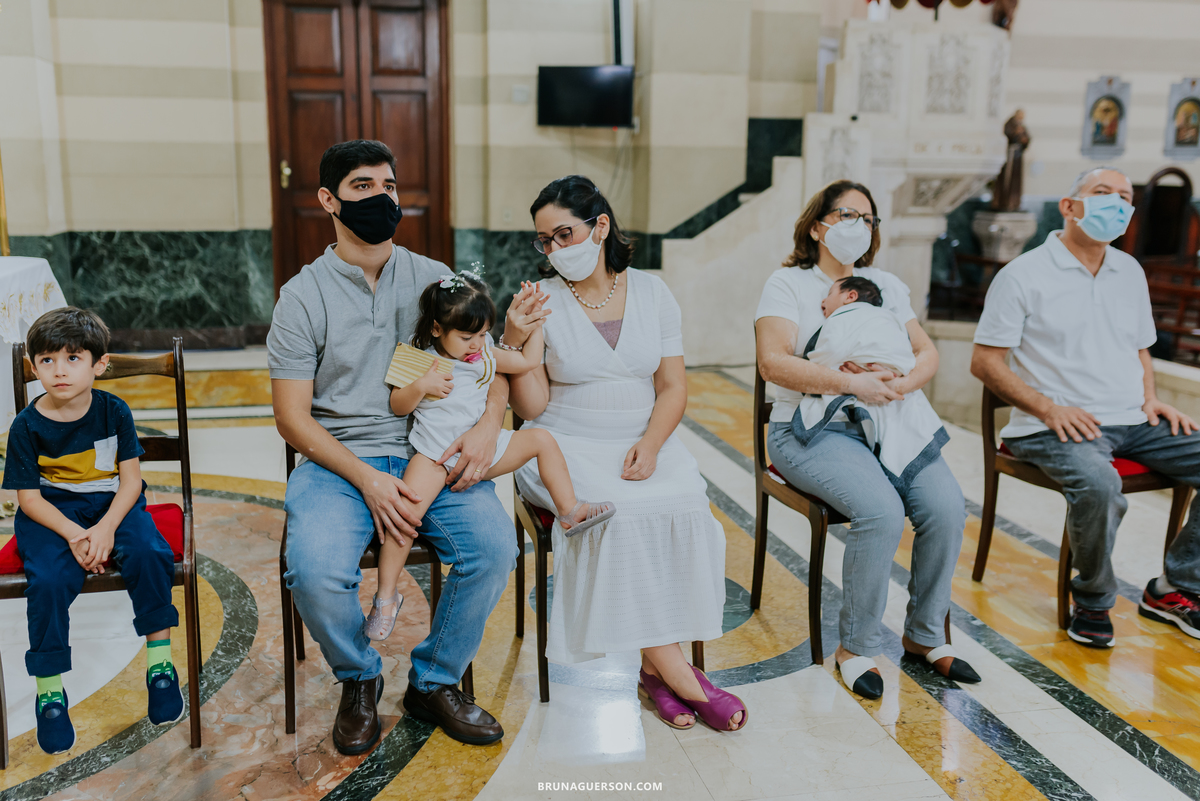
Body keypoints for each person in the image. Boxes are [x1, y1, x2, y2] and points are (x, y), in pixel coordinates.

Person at [268, 140, 546, 753]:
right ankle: (359, 677)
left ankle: (434, 681)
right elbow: (291, 419)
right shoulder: (302, 296)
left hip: (435, 453)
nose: (381, 197)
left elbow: (487, 361)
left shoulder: (433, 279)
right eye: (363, 187)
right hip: (340, 460)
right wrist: (367, 479)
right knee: (313, 571)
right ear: (328, 200)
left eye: (389, 186)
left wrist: (485, 424)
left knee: (495, 549)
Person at [507, 175, 745, 732]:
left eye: (564, 233)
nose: (555, 249)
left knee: (687, 507)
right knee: (621, 518)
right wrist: (518, 339)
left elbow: (673, 388)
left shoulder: (654, 292)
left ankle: (654, 671)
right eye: (544, 241)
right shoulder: (544, 303)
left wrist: (652, 444)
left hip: (643, 437)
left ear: (601, 225)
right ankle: (680, 675)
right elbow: (533, 403)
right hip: (565, 446)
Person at [756, 180, 977, 700]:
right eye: (846, 215)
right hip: (809, 428)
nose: (859, 226)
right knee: (880, 510)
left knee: (946, 507)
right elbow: (774, 362)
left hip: (890, 422)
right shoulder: (788, 284)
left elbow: (926, 353)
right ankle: (855, 646)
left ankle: (924, 637)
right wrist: (852, 383)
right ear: (817, 225)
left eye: (868, 218)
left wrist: (899, 384)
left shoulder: (887, 285)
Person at [971, 166, 1200, 648]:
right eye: (1102, 192)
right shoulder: (1023, 275)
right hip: (1048, 425)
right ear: (1070, 206)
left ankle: (1175, 586)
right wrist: (1049, 408)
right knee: (1100, 484)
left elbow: (1140, 348)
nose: (1116, 202)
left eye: (1125, 195)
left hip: (1132, 418)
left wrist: (1151, 398)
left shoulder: (1128, 270)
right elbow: (985, 362)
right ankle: (1093, 601)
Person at [365, 272, 615, 640]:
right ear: (437, 329)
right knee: (405, 520)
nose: (476, 344)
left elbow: (528, 361)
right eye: (467, 337)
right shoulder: (419, 359)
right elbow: (397, 405)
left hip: (484, 451)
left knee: (542, 440)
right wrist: (421, 386)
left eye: (483, 334)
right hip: (434, 457)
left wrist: (537, 324)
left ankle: (569, 510)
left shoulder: (483, 355)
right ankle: (386, 598)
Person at [3, 307, 183, 755]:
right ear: (33, 366)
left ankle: (160, 665)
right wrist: (75, 535)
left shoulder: (114, 411)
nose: (59, 370)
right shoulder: (25, 425)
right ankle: (50, 691)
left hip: (112, 506)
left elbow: (132, 482)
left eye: (72, 358)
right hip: (50, 514)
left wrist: (104, 529)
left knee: (148, 553)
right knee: (47, 579)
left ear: (98, 364)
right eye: (46, 361)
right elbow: (29, 500)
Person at [798, 277, 948, 493]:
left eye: (829, 294)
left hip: (890, 385)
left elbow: (826, 354)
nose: (823, 301)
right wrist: (892, 374)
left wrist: (898, 384)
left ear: (850, 296)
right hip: (892, 371)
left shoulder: (845, 316)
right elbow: (905, 352)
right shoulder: (888, 317)